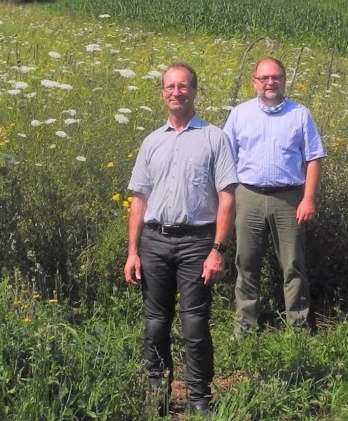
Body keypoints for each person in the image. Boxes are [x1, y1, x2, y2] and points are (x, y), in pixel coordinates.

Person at [124, 62, 237, 416]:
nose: (177, 92)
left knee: (194, 324)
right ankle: (157, 393)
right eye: (170, 87)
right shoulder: (152, 142)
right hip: (155, 242)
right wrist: (132, 252)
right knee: (155, 322)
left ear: (194, 91)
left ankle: (199, 397)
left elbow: (227, 198)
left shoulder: (214, 138)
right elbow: (139, 201)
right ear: (162, 93)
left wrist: (217, 249)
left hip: (197, 244)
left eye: (183, 86)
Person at [223, 57, 326, 335]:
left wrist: (308, 199)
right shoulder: (239, 114)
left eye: (276, 77)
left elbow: (314, 159)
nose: (270, 83)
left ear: (284, 80)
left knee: (293, 264)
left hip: (289, 199)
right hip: (248, 196)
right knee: (246, 262)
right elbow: (226, 159)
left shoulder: (300, 114)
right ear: (254, 82)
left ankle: (299, 326)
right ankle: (244, 326)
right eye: (264, 78)